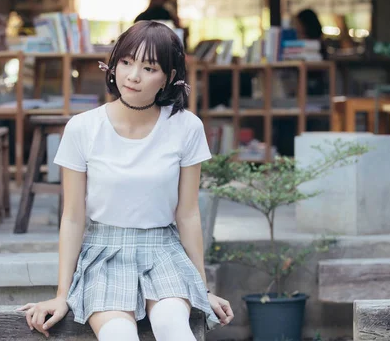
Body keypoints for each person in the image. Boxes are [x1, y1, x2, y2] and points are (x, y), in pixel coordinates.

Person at [17, 20, 233, 340]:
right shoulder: (83, 128)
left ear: (169, 78)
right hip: (104, 252)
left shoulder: (186, 127)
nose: (133, 76)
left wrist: (201, 289)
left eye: (149, 68)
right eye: (126, 62)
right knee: (119, 335)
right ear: (114, 64)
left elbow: (187, 214)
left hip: (164, 251)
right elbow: (73, 217)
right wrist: (62, 294)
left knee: (174, 327)